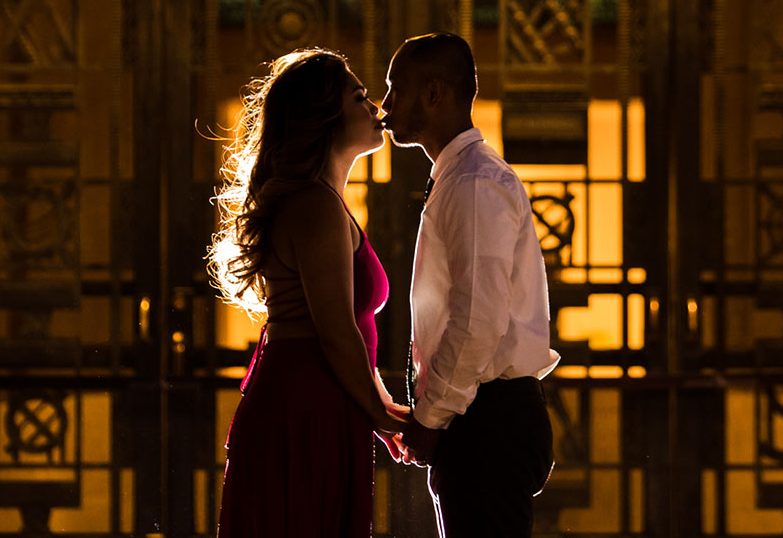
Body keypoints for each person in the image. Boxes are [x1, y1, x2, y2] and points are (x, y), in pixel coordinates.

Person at [208, 48, 411, 537]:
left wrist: (381, 404)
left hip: (320, 398)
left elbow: (352, 336)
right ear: (324, 117)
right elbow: (337, 332)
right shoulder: (315, 206)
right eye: (360, 97)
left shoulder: (324, 202)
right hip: (305, 407)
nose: (376, 109)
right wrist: (378, 414)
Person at [380, 32, 560, 537]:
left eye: (397, 88)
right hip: (482, 415)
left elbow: (477, 316)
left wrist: (430, 418)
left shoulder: (474, 182)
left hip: (488, 420)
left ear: (434, 94)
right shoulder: (461, 177)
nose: (386, 103)